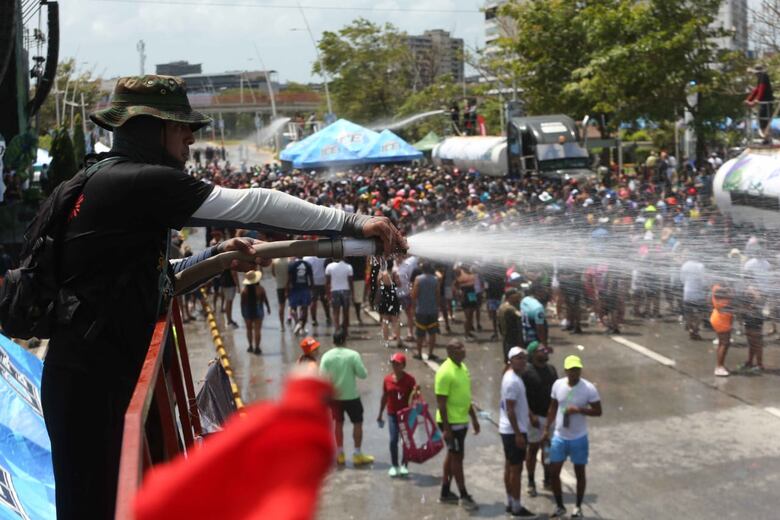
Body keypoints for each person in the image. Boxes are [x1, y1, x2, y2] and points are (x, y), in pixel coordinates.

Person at [44, 74, 404, 520]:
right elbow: (253, 204)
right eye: (181, 127)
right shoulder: (140, 181)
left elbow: (156, 281)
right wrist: (351, 222)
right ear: (150, 130)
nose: (191, 139)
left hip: (85, 376)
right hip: (94, 385)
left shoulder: (93, 180)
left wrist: (216, 257)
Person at [543, 355, 602, 519]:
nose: (575, 373)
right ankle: (560, 506)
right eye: (571, 370)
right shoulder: (558, 385)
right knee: (554, 472)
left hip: (579, 438)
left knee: (579, 473)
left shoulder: (589, 388)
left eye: (577, 369)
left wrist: (579, 410)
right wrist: (547, 428)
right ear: (566, 370)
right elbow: (553, 407)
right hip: (560, 437)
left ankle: (577, 507)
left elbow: (598, 411)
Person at [435, 340, 480, 512]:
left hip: (462, 420)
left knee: (453, 455)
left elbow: (466, 396)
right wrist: (446, 429)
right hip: (451, 423)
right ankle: (463, 495)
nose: (463, 350)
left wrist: (474, 418)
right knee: (457, 458)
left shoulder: (462, 367)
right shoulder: (445, 372)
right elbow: (441, 403)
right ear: (449, 352)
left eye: (463, 346)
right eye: (458, 348)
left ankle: (445, 492)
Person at [320, 328, 374, 466]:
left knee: (338, 423)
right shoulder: (353, 355)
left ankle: (340, 454)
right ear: (345, 340)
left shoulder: (326, 356)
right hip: (352, 396)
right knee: (357, 422)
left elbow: (321, 378)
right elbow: (363, 374)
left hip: (335, 398)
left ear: (333, 341)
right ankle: (357, 453)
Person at [498, 347, 537, 518]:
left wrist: (529, 414)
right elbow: (511, 410)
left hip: (510, 429)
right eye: (518, 358)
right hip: (514, 431)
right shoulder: (512, 381)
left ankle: (510, 502)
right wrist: (519, 434)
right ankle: (517, 506)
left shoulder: (512, 376)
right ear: (511, 360)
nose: (523, 361)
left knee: (510, 467)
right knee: (516, 469)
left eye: (524, 358)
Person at [522, 340, 557, 498]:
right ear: (533, 354)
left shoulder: (551, 370)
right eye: (541, 350)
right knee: (533, 449)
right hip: (534, 419)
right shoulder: (526, 372)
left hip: (549, 417)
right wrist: (531, 415)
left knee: (547, 449)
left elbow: (555, 395)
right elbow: (522, 398)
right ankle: (531, 481)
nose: (545, 351)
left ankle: (547, 478)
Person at [376, 352, 419, 478]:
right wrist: (380, 414)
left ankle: (404, 465)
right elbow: (384, 397)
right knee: (393, 439)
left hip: (406, 415)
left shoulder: (410, 380)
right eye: (393, 363)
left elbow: (415, 397)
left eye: (397, 364)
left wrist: (417, 395)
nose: (394, 366)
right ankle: (394, 465)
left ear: (403, 365)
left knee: (406, 440)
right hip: (392, 414)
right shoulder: (387, 379)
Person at [411, 261, 440, 360]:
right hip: (433, 310)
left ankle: (419, 354)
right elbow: (437, 296)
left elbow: (414, 295)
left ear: (422, 269)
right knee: (432, 333)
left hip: (421, 311)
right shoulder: (435, 280)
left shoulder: (418, 279)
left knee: (420, 333)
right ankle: (430, 353)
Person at [240, 270, 271, 354]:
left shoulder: (244, 291)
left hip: (247, 310)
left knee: (249, 329)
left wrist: (243, 313)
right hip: (258, 309)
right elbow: (265, 299)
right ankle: (257, 348)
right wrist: (268, 308)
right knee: (257, 330)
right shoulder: (260, 289)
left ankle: (250, 346)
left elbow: (242, 303)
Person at [680, 255, 707, 340]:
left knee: (688, 313)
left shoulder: (685, 265)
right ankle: (695, 330)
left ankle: (691, 329)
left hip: (687, 293)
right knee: (701, 313)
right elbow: (703, 281)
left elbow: (682, 279)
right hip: (698, 293)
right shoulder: (700, 266)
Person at [746, 64, 774, 143]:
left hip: (766, 101)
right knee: (762, 119)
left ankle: (767, 138)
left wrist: (756, 100)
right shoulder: (760, 78)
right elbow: (757, 90)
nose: (755, 75)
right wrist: (749, 99)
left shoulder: (763, 76)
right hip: (763, 102)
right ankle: (766, 138)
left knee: (764, 119)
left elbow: (761, 89)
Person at [376, 259, 402, 348]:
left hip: (384, 297)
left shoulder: (382, 274)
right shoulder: (394, 274)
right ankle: (398, 340)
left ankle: (386, 341)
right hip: (393, 297)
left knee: (385, 321)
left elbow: (378, 284)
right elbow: (399, 284)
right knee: (396, 320)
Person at [711, 283, 734, 377]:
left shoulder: (716, 289)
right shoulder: (723, 300)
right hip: (722, 322)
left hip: (717, 318)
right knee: (724, 344)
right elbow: (730, 308)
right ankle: (719, 367)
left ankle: (720, 365)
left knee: (722, 343)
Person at [325, 258, 354, 334]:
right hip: (345, 290)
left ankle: (337, 330)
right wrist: (352, 294)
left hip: (334, 291)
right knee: (346, 312)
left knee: (336, 312)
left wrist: (327, 295)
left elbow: (327, 282)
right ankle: (345, 330)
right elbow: (350, 282)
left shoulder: (329, 266)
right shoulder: (348, 267)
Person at [287, 257, 314, 336]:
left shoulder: (291, 264)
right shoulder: (307, 264)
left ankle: (297, 323)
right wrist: (312, 289)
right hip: (305, 288)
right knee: (304, 308)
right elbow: (311, 279)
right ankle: (302, 328)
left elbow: (289, 279)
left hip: (295, 289)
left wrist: (287, 289)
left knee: (292, 308)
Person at [304, 255, 331, 327]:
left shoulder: (306, 258)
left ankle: (313, 320)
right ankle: (328, 317)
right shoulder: (324, 257)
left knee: (313, 301)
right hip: (323, 281)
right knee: (325, 300)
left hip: (313, 282)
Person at [497, 288, 523, 362]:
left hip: (505, 336)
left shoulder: (502, 307)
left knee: (508, 359)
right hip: (512, 337)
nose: (518, 297)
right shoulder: (511, 309)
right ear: (511, 297)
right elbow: (520, 317)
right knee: (513, 360)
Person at [520, 282, 548, 349]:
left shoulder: (524, 300)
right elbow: (540, 328)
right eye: (542, 291)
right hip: (534, 338)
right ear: (537, 292)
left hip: (524, 334)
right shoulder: (538, 307)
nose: (544, 293)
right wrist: (544, 343)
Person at [454, 265, 478, 340]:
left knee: (471, 315)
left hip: (472, 293)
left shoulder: (472, 271)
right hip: (465, 293)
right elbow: (455, 284)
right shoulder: (459, 272)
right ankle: (466, 335)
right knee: (467, 316)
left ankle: (469, 332)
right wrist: (459, 292)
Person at [271, 256, 290, 331]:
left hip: (279, 286)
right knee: (292, 305)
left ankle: (282, 326)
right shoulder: (289, 260)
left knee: (281, 307)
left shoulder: (274, 262)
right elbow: (290, 274)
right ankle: (295, 323)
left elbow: (273, 274)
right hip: (289, 286)